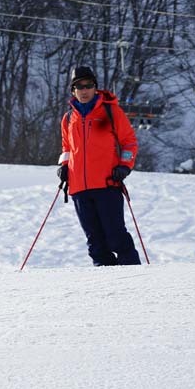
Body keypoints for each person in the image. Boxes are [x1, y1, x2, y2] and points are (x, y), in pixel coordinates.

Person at [58, 65, 141, 266]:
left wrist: (125, 165)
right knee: (95, 243)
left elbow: (129, 142)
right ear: (73, 91)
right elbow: (67, 147)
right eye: (79, 86)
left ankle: (135, 277)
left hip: (107, 184)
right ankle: (106, 281)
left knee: (116, 237)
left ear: (95, 88)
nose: (84, 90)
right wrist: (64, 165)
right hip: (79, 188)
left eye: (88, 85)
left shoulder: (111, 112)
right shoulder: (68, 118)